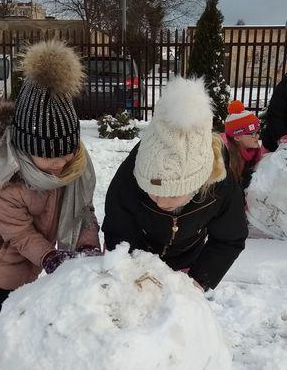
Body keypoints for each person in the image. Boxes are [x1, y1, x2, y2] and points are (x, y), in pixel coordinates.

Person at [0, 39, 101, 338]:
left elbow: (82, 208)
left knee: (20, 312)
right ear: (25, 149)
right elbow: (20, 234)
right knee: (4, 316)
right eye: (48, 156)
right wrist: (49, 256)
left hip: (28, 250)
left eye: (66, 152)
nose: (59, 164)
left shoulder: (73, 167)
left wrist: (87, 243)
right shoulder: (3, 180)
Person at [102, 77, 248, 291]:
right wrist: (129, 270)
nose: (162, 202)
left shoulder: (220, 186)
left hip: (186, 259)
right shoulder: (135, 172)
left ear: (196, 184)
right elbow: (118, 226)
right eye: (153, 192)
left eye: (173, 194)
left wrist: (199, 280)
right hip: (138, 252)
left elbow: (230, 238)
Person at [223, 100, 266, 190]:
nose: (257, 136)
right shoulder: (224, 158)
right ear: (237, 137)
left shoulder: (255, 153)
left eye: (257, 132)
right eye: (252, 133)